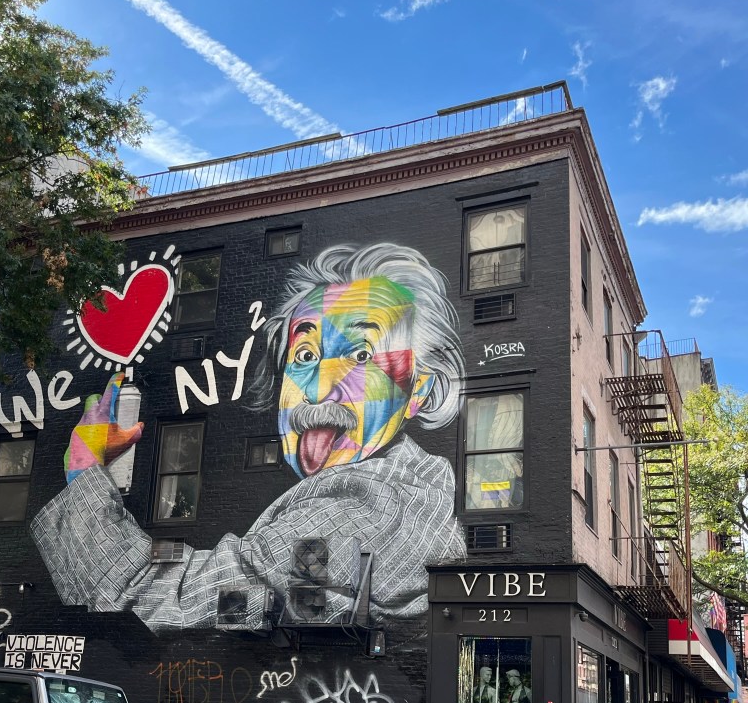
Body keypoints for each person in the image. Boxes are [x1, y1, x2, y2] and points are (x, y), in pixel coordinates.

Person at [31, 243, 467, 633]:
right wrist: (170, 550)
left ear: (419, 390)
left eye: (360, 354)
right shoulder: (412, 490)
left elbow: (157, 599)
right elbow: (237, 575)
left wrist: (84, 467)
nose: (318, 388)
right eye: (305, 355)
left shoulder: (366, 508)